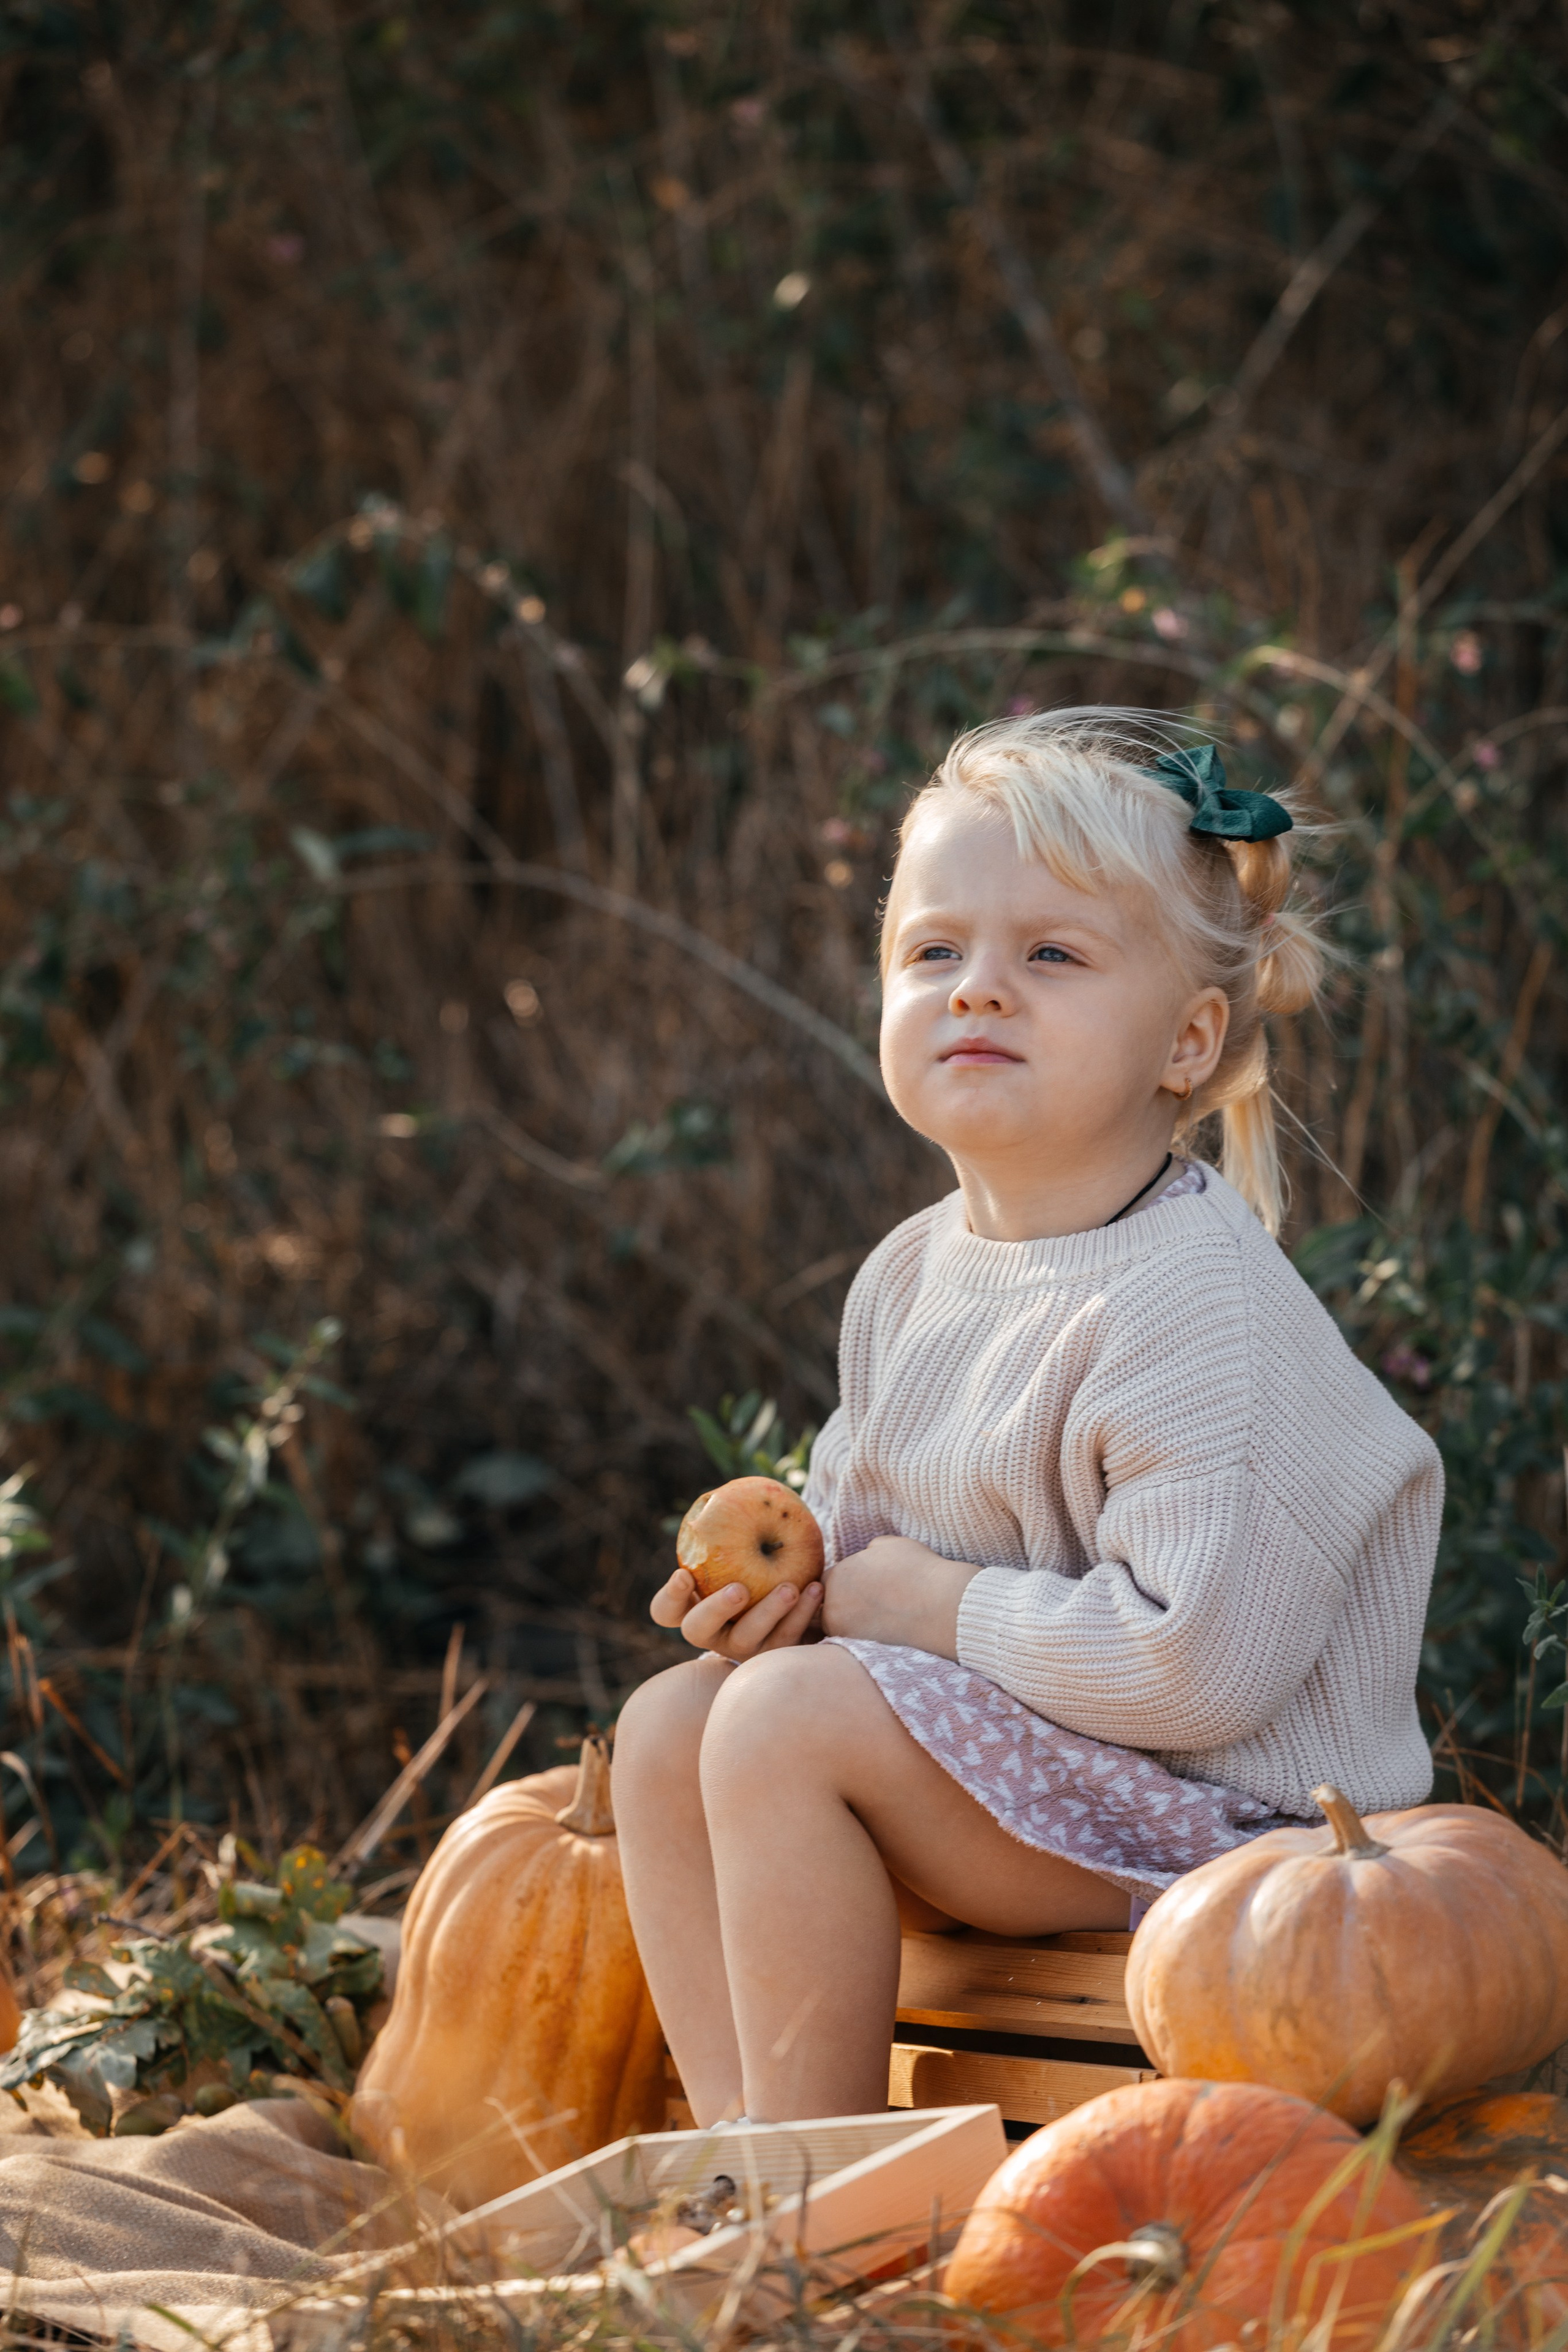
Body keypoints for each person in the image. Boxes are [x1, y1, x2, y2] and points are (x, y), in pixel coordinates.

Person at [611, 709, 1442, 2127]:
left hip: (1233, 1837)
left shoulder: (1196, 1309)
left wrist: (922, 1609)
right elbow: (862, 1569)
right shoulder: (910, 1275)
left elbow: (1198, 1672)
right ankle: (742, 2158)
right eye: (933, 952)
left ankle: (826, 2209)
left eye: (1048, 956)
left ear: (1186, 1042)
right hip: (1030, 1779)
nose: (976, 991)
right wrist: (783, 1604)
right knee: (671, 1720)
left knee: (783, 1729)